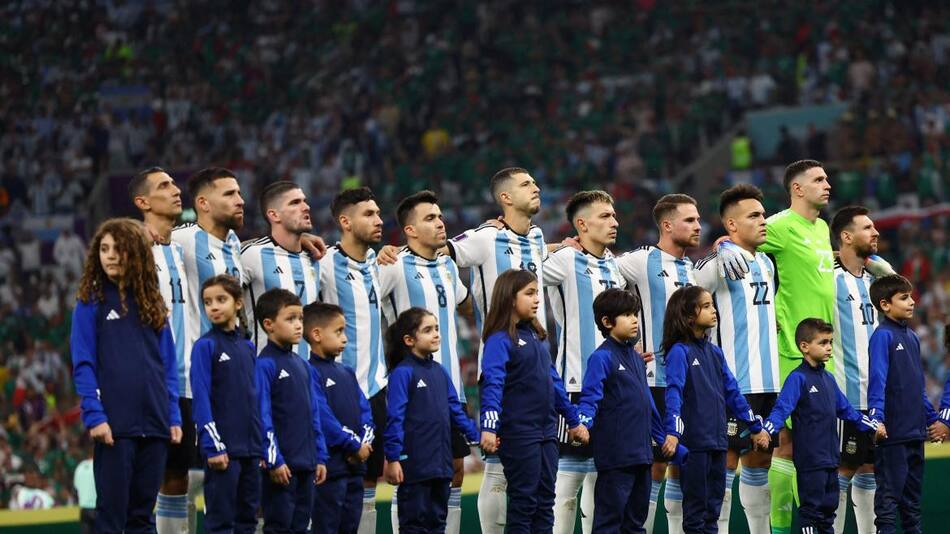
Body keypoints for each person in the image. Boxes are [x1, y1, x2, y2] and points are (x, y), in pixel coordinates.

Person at [719, 159, 835, 534]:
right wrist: (722, 244)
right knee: (786, 444)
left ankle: (811, 524)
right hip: (791, 352)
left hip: (823, 352)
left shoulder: (821, 228)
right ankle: (784, 528)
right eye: (818, 179)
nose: (827, 184)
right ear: (797, 189)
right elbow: (741, 240)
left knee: (813, 449)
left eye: (827, 178)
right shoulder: (781, 226)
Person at [71, 218, 182, 533]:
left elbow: (167, 366)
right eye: (104, 249)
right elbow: (83, 363)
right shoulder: (89, 303)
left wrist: (172, 416)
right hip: (114, 427)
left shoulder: (153, 304)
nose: (110, 255)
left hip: (156, 426)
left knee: (143, 518)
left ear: (135, 252)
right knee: (111, 518)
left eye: (118, 248)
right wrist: (94, 416)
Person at [377, 191, 471, 534]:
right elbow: (369, 303)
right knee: (414, 476)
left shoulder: (447, 264)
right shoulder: (394, 264)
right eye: (430, 218)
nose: (440, 222)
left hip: (450, 386)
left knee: (456, 471)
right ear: (410, 230)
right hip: (413, 389)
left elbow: (463, 302)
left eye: (440, 216)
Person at [693, 184, 778, 533]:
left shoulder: (767, 263)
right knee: (724, 466)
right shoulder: (717, 262)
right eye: (753, 216)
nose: (763, 221)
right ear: (731, 225)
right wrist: (720, 249)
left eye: (763, 214)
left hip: (768, 380)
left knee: (760, 463)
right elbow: (688, 296)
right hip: (729, 383)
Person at [479, 269, 589, 533]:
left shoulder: (537, 337)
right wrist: (489, 427)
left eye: (537, 292)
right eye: (529, 293)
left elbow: (555, 384)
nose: (537, 299)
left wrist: (573, 421)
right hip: (519, 434)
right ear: (509, 298)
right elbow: (492, 385)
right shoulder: (499, 340)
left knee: (544, 503)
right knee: (524, 502)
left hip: (547, 434)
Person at [615, 194, 700, 533]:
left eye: (698, 220)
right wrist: (621, 346)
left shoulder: (692, 270)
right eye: (690, 220)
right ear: (667, 225)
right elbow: (597, 281)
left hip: (689, 383)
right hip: (654, 379)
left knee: (683, 463)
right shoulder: (642, 260)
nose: (698, 226)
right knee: (652, 465)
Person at [544, 190, 626, 534]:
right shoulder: (564, 260)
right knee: (568, 477)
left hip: (614, 387)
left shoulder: (615, 266)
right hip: (575, 384)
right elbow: (521, 269)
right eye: (605, 216)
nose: (614, 222)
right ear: (581, 224)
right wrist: (550, 248)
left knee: (601, 474)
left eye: (614, 215)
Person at [577, 288, 687, 534]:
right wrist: (583, 423)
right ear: (607, 322)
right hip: (616, 458)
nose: (635, 319)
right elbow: (590, 398)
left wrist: (663, 438)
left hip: (642, 456)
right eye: (627, 314)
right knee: (609, 524)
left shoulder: (637, 359)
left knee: (636, 525)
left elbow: (647, 405)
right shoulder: (601, 357)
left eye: (635, 313)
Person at [661, 285, 768, 534]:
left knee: (714, 510)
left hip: (718, 442)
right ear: (688, 316)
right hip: (695, 444)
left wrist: (755, 426)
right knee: (696, 513)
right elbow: (673, 392)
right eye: (706, 306)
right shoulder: (679, 352)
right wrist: (673, 432)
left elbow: (733, 392)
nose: (714, 310)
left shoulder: (715, 352)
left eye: (712, 304)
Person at [129, 166, 201, 533]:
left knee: (188, 476)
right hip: (155, 383)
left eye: (174, 183)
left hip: (191, 382)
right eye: (163, 186)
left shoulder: (181, 245)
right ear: (142, 202)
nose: (175, 190)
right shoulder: (130, 248)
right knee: (162, 479)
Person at [762, 318, 881, 534]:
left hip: (830, 459)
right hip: (810, 460)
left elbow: (847, 410)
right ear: (804, 347)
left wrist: (872, 426)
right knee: (810, 513)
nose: (828, 348)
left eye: (830, 342)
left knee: (828, 514)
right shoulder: (797, 378)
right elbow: (781, 410)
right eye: (823, 342)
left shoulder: (828, 378)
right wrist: (766, 431)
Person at [318, 187, 387, 533]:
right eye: (369, 214)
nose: (379, 220)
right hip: (337, 391)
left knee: (370, 483)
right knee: (332, 486)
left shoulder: (379, 261)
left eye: (378, 212)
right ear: (345, 222)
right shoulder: (324, 264)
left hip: (375, 391)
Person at [383, 308, 480, 532]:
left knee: (437, 523)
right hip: (415, 467)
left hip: (441, 465)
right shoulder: (402, 373)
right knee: (414, 525)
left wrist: (478, 436)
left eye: (436, 328)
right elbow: (395, 419)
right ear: (409, 340)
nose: (436, 334)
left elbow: (456, 411)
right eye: (428, 330)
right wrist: (394, 458)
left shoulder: (440, 371)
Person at [829, 206, 890, 534]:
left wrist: (883, 268)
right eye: (867, 228)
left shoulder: (875, 281)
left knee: (870, 469)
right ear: (846, 237)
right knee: (842, 470)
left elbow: (902, 292)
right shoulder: (829, 279)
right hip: (846, 396)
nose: (876, 232)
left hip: (878, 394)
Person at [189, 275, 261, 534]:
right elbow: (201, 397)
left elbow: (254, 399)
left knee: (248, 522)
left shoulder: (248, 347)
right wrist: (212, 446)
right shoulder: (204, 346)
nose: (214, 307)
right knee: (220, 524)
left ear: (239, 303)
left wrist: (261, 445)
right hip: (223, 452)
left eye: (221, 300)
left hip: (251, 451)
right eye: (208, 302)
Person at [867, 275, 939, 534]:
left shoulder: (911, 336)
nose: (912, 302)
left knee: (912, 506)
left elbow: (916, 386)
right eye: (904, 298)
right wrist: (877, 418)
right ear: (885, 305)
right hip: (893, 434)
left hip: (915, 433)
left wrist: (931, 419)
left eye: (910, 296)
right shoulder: (882, 336)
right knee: (887, 506)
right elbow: (877, 379)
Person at [255, 288, 328, 534]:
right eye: (290, 319)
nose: (299, 325)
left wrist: (319, 455)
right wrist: (274, 460)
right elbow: (262, 417)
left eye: (300, 318)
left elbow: (314, 415)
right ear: (268, 324)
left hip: (307, 464)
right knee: (279, 527)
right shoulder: (265, 365)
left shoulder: (302, 366)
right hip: (282, 467)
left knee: (301, 527)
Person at [305, 302, 375, 534]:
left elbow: (365, 411)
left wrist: (365, 444)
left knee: (350, 527)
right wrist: (354, 445)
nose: (344, 338)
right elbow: (324, 418)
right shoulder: (309, 372)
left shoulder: (347, 372)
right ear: (316, 334)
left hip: (356, 467)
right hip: (331, 470)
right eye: (338, 332)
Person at [242, 181, 321, 356]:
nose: (306, 207)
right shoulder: (252, 254)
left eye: (304, 201)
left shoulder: (315, 257)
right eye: (295, 203)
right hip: (267, 372)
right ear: (274, 215)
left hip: (307, 372)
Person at [172, 167, 247, 334]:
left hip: (232, 348)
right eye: (229, 194)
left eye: (238, 193)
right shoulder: (183, 239)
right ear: (203, 203)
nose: (240, 201)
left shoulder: (233, 240)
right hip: (198, 352)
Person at [74, 451, 96, 534]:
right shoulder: (99, 465)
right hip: (98, 509)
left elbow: (75, 489)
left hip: (84, 510)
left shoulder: (79, 467)